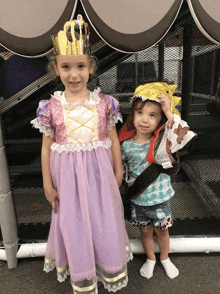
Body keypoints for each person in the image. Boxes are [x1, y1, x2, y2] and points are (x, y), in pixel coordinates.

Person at [31, 15, 133, 294]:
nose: (73, 74)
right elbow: (46, 146)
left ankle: (106, 266)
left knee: (103, 218)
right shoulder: (50, 107)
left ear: (91, 68)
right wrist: (47, 184)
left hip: (99, 174)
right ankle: (83, 270)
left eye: (80, 67)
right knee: (73, 220)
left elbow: (112, 136)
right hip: (66, 178)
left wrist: (118, 168)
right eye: (66, 67)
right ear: (56, 69)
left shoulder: (104, 104)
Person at [118, 82, 196, 280]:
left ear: (160, 120)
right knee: (145, 232)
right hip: (138, 201)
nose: (145, 120)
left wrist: (170, 112)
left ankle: (164, 258)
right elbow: (117, 169)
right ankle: (151, 259)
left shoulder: (164, 141)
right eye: (140, 113)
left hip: (160, 200)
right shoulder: (125, 145)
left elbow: (183, 133)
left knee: (162, 233)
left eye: (152, 115)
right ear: (132, 116)